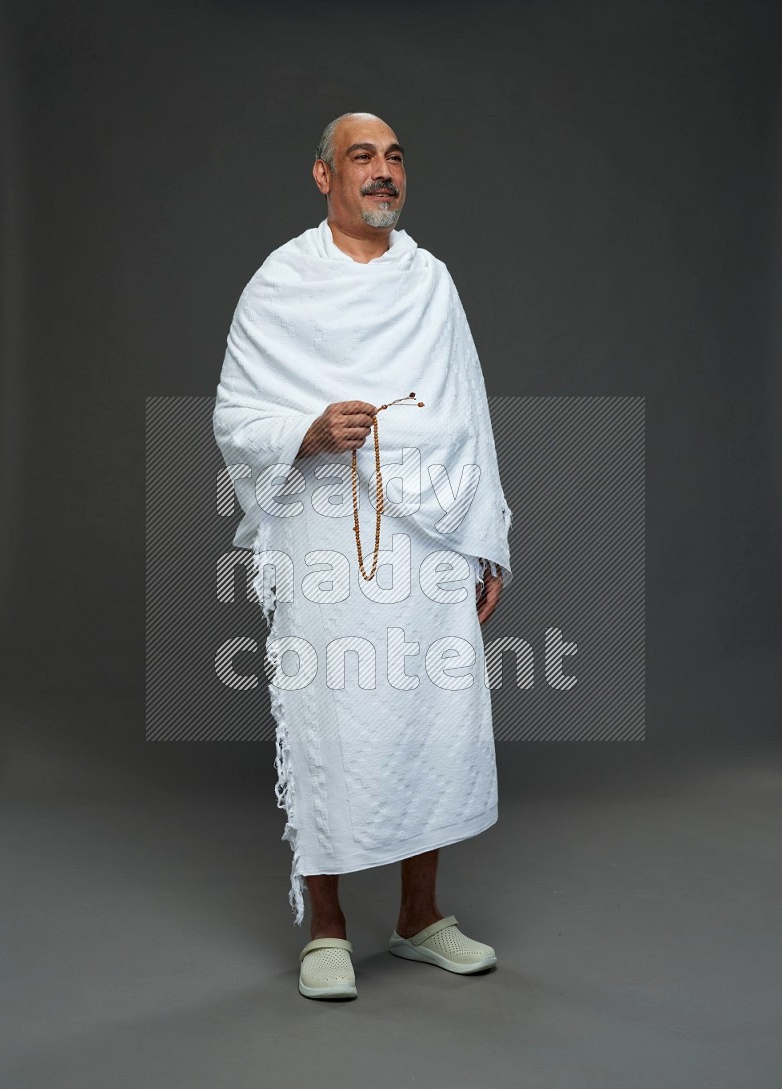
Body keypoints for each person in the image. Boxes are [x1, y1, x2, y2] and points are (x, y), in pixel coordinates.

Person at [213, 112, 512, 1000]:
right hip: (323, 534)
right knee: (333, 718)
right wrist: (305, 431)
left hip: (430, 537)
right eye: (361, 158)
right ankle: (329, 929)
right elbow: (233, 414)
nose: (381, 173)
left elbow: (471, 409)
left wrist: (487, 539)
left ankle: (420, 916)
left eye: (392, 158)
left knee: (430, 714)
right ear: (322, 176)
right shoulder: (281, 282)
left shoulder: (433, 281)